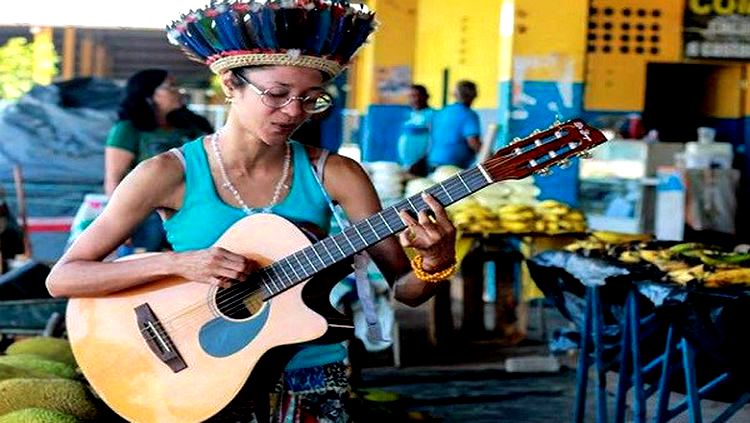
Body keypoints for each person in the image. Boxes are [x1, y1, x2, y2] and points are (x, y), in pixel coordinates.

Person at [46, 2, 457, 422]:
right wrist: (179, 263)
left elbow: (405, 291)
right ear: (230, 83)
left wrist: (436, 263)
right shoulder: (167, 173)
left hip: (310, 376)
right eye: (277, 94)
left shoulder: (336, 174)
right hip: (203, 380)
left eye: (311, 99)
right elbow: (64, 277)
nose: (294, 112)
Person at [104, 68, 213, 253]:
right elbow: (114, 178)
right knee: (146, 271)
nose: (178, 91)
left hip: (196, 211)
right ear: (149, 94)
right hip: (147, 218)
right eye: (170, 87)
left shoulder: (195, 125)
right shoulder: (129, 129)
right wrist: (120, 226)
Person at [427, 80, 482, 170]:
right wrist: (493, 157)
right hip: (453, 165)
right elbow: (473, 142)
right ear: (474, 95)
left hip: (433, 160)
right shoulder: (468, 114)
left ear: (455, 95)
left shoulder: (442, 111)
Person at [397, 84, 434, 176]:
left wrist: (421, 161)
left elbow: (434, 141)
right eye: (412, 96)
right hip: (406, 164)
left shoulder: (432, 115)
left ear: (427, 96)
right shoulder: (409, 115)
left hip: (422, 165)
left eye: (419, 95)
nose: (416, 99)